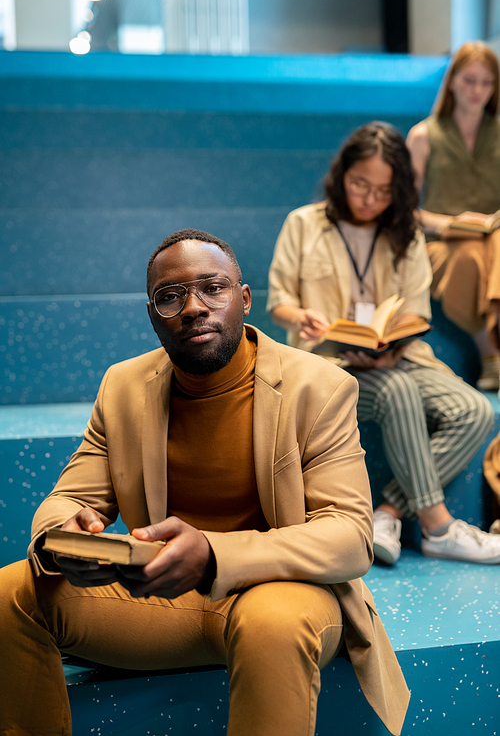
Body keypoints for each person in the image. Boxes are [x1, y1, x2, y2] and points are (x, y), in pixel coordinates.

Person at [0, 229, 409, 736]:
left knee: (272, 625)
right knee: (10, 592)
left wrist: (214, 554)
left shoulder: (320, 386)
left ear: (244, 299)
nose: (193, 307)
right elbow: (70, 496)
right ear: (153, 315)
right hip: (165, 598)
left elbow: (350, 536)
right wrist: (68, 534)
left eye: (212, 288)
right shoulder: (122, 385)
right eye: (170, 297)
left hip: (283, 590)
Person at [267, 121, 499, 567]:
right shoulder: (303, 223)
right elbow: (280, 302)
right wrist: (303, 318)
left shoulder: (406, 233)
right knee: (397, 391)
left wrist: (391, 348)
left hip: (398, 356)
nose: (370, 199)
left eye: (384, 190)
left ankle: (388, 513)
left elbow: (417, 310)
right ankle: (437, 527)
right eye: (360, 185)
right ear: (342, 175)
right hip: (328, 361)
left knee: (474, 411)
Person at [406, 41, 500, 391]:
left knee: (492, 247)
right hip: (443, 241)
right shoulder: (423, 136)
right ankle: (491, 353)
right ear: (452, 82)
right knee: (470, 255)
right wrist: (444, 222)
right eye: (469, 80)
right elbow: (405, 209)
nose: (477, 91)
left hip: (496, 238)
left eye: (486, 82)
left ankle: (494, 359)